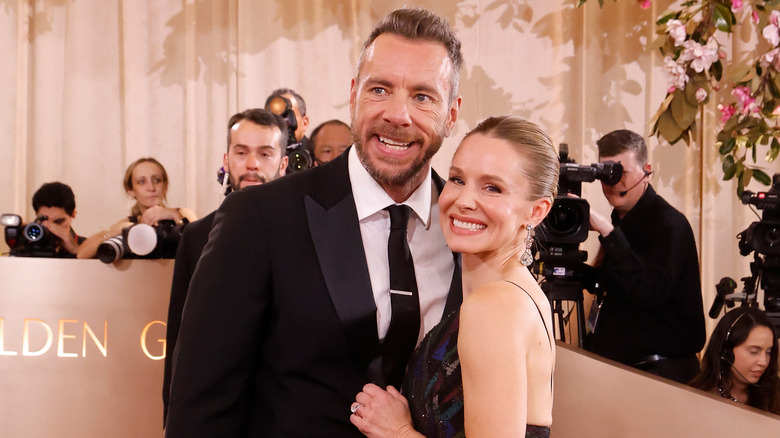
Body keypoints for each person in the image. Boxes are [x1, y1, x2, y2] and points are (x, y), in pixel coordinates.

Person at [165, 7, 463, 437]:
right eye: (380, 89)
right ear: (354, 95)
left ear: (451, 114)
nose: (398, 115)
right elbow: (200, 410)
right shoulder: (260, 218)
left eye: (422, 96)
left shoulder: (469, 231)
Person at [350, 116, 559, 438]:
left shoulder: (494, 306)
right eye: (458, 179)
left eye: (493, 188)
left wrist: (397, 431)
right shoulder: (517, 292)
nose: (463, 201)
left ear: (537, 211)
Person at [161, 108, 289, 424]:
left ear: (283, 163)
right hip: (215, 414)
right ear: (226, 159)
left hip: (284, 414)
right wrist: (172, 416)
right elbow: (180, 337)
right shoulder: (195, 236)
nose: (252, 164)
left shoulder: (302, 233)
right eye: (241, 152)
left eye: (265, 153)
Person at [586, 129, 705, 384]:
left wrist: (608, 233)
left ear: (647, 171)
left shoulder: (669, 224)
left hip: (659, 376)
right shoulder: (622, 222)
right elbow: (617, 288)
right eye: (606, 174)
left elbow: (649, 291)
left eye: (621, 173)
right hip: (625, 371)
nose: (613, 182)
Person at [77, 157, 197, 259]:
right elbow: (81, 254)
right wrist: (110, 233)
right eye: (141, 182)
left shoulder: (182, 213)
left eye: (157, 180)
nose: (151, 187)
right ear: (131, 191)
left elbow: (201, 246)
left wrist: (174, 215)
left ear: (165, 186)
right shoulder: (128, 223)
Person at [690, 307, 780, 414]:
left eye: (768, 352)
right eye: (754, 352)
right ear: (726, 351)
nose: (763, 361)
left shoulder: (774, 394)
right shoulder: (698, 399)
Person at [27, 182, 85, 257]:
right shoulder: (27, 247)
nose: (50, 228)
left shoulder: (90, 247)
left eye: (58, 222)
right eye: (42, 221)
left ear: (73, 215)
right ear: (36, 216)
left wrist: (76, 250)